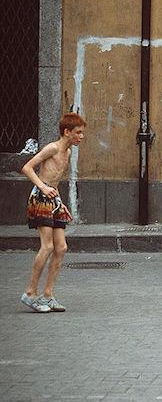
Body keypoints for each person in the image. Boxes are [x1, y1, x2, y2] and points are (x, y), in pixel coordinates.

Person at [20, 112, 86, 313]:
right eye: (78, 133)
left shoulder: (67, 153)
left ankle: (47, 295)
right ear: (67, 132)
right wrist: (42, 187)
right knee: (47, 246)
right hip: (40, 198)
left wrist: (59, 201)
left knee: (61, 248)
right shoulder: (53, 148)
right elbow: (27, 167)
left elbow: (54, 178)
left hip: (53, 199)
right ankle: (30, 293)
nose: (81, 137)